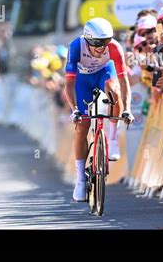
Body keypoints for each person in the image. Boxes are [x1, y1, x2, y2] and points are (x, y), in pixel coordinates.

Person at [64, 18, 135, 201]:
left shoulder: (114, 48)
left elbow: (124, 81)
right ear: (87, 39)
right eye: (96, 43)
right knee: (82, 127)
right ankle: (80, 179)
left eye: (105, 41)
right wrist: (74, 110)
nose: (102, 47)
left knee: (114, 91)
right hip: (82, 81)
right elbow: (69, 83)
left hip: (104, 72)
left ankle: (111, 139)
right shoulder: (76, 47)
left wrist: (126, 109)